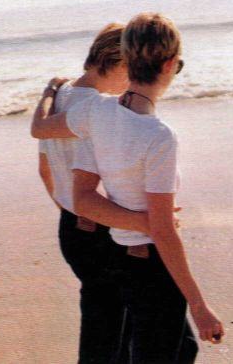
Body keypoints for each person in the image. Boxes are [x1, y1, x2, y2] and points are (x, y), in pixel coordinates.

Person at [31, 12, 225, 363]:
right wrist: (200, 305)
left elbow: (81, 198)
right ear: (168, 65)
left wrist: (49, 93)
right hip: (149, 260)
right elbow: (163, 231)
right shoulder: (159, 136)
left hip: (120, 254)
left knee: (141, 346)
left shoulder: (96, 114)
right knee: (163, 351)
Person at [34, 23, 153, 364]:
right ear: (112, 62)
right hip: (110, 229)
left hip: (72, 229)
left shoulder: (60, 98)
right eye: (132, 71)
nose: (134, 82)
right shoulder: (103, 108)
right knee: (136, 332)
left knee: (104, 327)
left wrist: (72, 212)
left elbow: (45, 170)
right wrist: (142, 222)